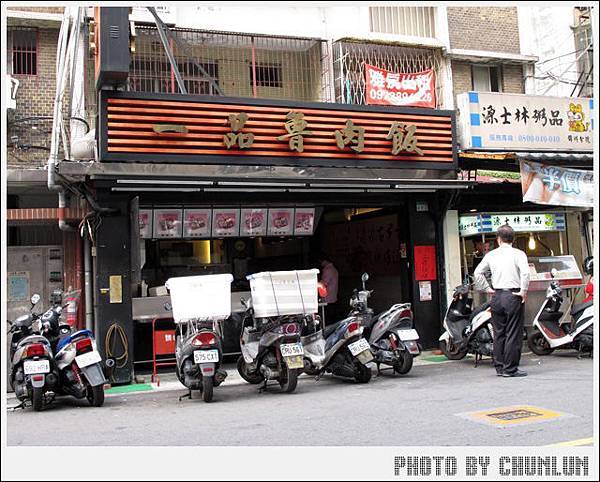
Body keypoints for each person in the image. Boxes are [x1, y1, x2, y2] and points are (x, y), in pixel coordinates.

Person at [474, 225, 530, 377]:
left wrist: (487, 288)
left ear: (498, 239)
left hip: (497, 296)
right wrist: (523, 291)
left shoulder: (491, 255)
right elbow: (525, 273)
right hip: (513, 296)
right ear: (513, 239)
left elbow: (477, 273)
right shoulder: (518, 254)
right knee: (513, 333)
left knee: (499, 333)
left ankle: (499, 367)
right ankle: (510, 368)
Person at [317, 253, 339, 322]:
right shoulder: (334, 269)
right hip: (333, 298)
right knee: (332, 318)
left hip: (327, 299)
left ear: (324, 261)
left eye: (320, 262)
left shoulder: (328, 270)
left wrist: (316, 283)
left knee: (327, 319)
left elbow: (324, 284)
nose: (321, 264)